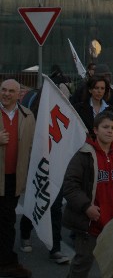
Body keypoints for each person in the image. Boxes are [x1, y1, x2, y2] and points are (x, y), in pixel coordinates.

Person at [62, 110, 113, 278]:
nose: (110, 131)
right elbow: (70, 186)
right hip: (91, 223)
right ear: (95, 130)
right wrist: (86, 206)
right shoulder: (83, 154)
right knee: (82, 265)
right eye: (105, 127)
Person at [19, 84, 70, 264]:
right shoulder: (34, 116)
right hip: (39, 167)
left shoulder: (67, 117)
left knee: (55, 207)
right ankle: (25, 233)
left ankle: (55, 247)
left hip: (57, 168)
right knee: (35, 201)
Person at [0, 79, 35, 278]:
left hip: (14, 177)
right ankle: (7, 260)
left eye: (11, 91)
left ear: (19, 94)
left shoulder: (28, 115)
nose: (6, 94)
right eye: (3, 90)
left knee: (7, 218)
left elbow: (33, 147)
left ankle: (7, 262)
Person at [72, 71, 113, 137]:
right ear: (90, 90)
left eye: (102, 88)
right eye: (96, 88)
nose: (99, 91)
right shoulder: (79, 108)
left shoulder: (110, 110)